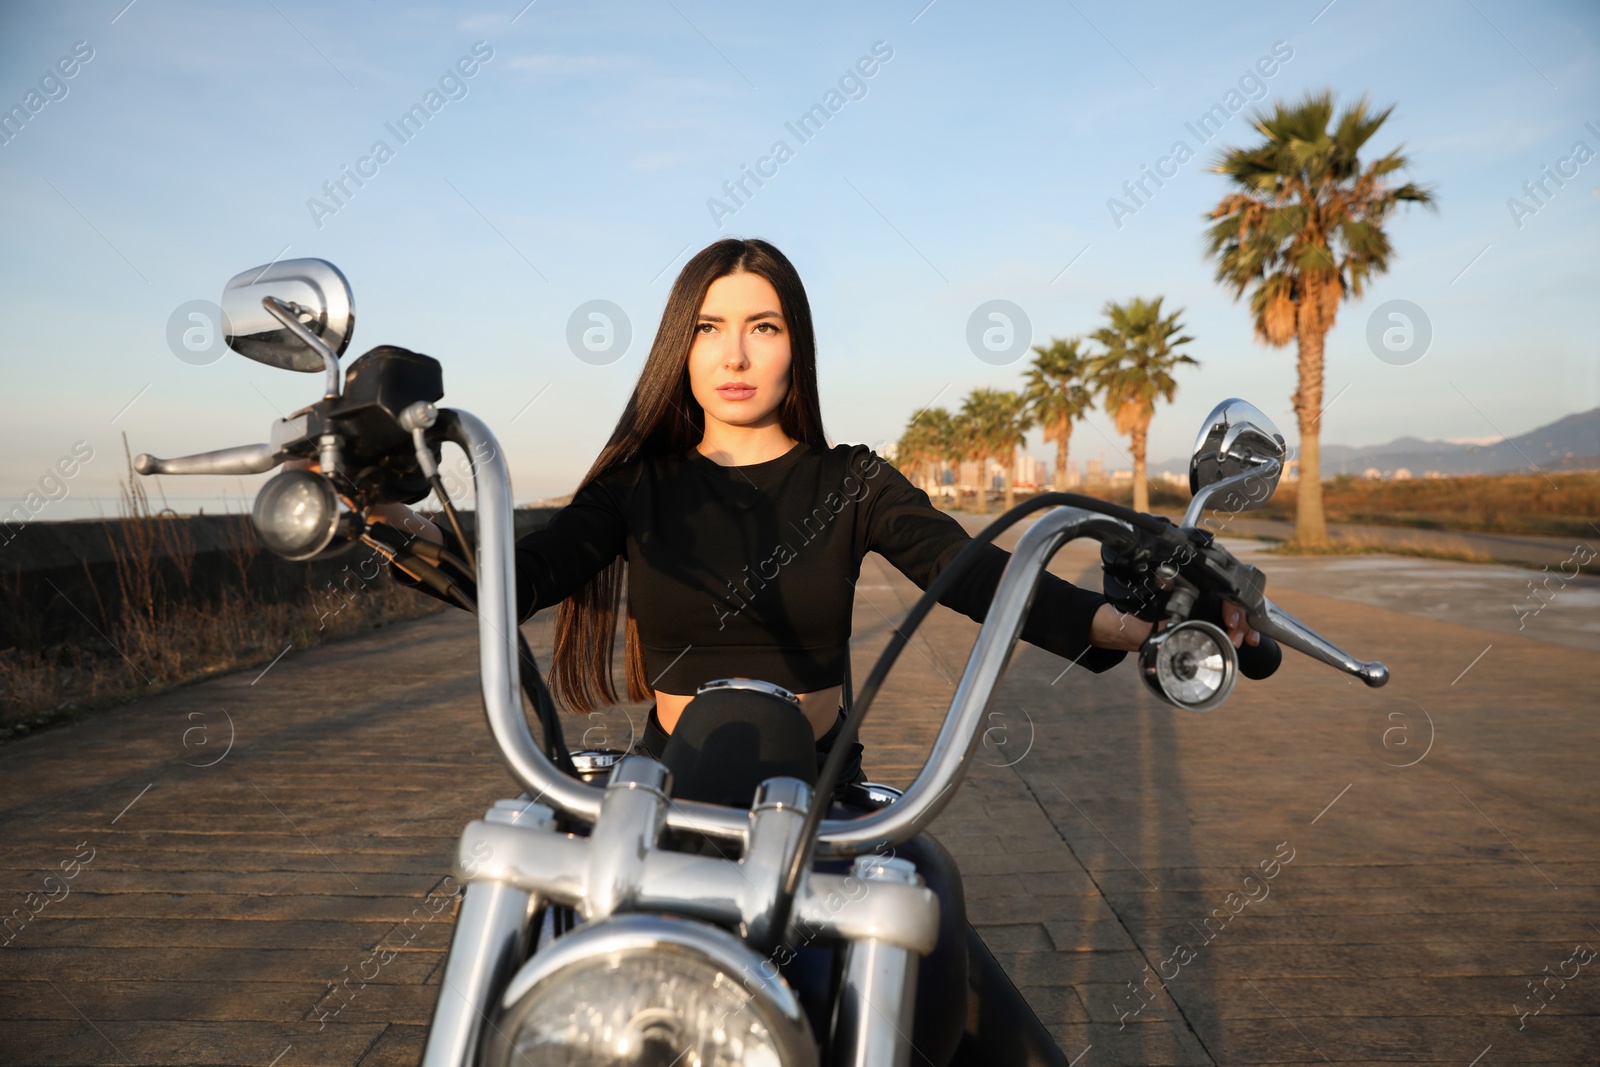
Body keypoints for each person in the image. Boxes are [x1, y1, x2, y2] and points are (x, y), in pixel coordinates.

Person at [377, 237, 1257, 789]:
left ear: (796, 345)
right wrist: (386, 518)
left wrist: (1125, 625)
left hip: (822, 789)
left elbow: (973, 572)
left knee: (941, 958)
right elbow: (524, 576)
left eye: (762, 326)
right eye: (709, 327)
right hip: (662, 787)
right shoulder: (639, 483)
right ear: (678, 347)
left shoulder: (851, 481)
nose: (734, 352)